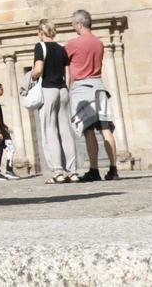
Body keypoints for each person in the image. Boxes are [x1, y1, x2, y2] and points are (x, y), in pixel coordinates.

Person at [65, 10, 119, 182]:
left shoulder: (73, 43)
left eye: (74, 24)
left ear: (80, 24)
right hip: (99, 86)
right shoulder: (99, 43)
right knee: (106, 129)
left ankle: (94, 169)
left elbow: (64, 63)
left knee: (88, 131)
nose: (73, 27)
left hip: (83, 88)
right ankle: (113, 168)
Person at [28, 18, 74, 182]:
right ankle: (73, 171)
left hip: (48, 89)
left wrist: (31, 76)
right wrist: (66, 89)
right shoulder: (62, 49)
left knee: (50, 130)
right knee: (65, 130)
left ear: (41, 32)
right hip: (63, 90)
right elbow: (69, 75)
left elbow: (39, 69)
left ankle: (58, 172)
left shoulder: (40, 47)